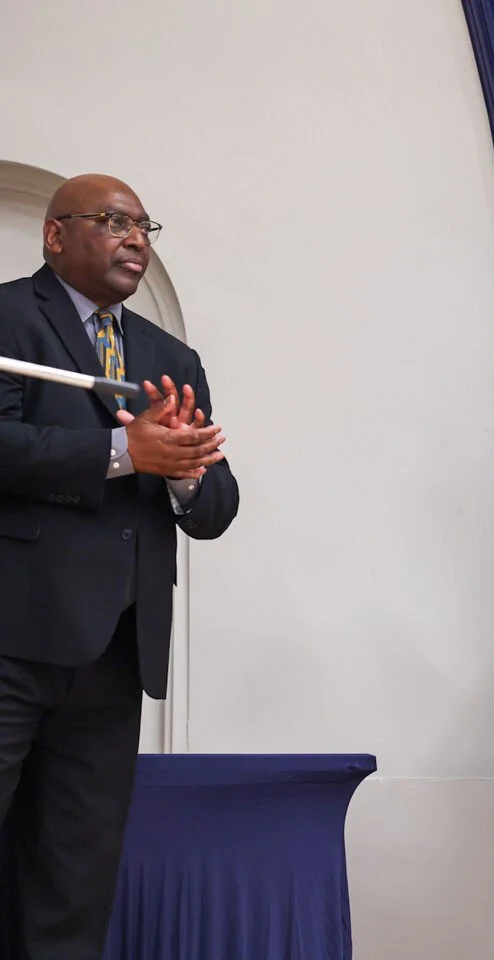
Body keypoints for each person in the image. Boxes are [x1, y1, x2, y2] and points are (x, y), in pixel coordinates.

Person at [0, 173, 239, 957]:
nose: (135, 237)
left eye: (144, 226)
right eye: (112, 221)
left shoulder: (172, 356)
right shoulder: (6, 318)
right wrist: (118, 451)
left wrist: (181, 472)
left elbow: (216, 503)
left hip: (114, 652)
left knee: (75, 879)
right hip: (12, 636)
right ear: (55, 235)